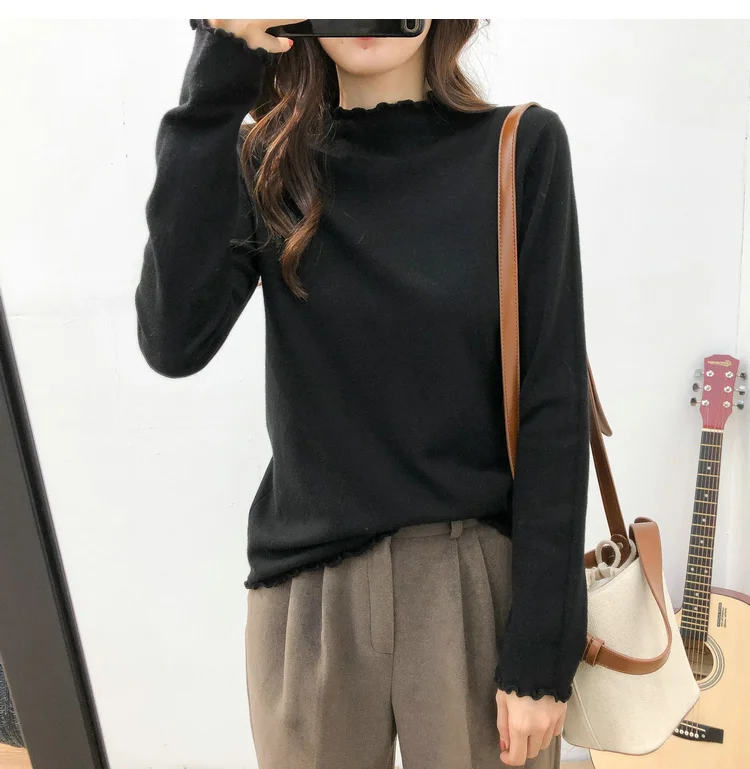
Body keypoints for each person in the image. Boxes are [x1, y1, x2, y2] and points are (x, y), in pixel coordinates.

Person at [135, 17, 590, 769]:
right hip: (309, 602)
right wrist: (220, 67)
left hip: (471, 589)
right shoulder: (266, 162)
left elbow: (555, 401)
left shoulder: (519, 148)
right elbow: (172, 340)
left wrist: (544, 648)